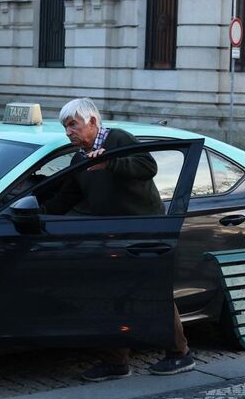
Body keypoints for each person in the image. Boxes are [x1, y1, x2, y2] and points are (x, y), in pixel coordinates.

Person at [44, 98, 195, 382]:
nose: (68, 132)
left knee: (153, 293)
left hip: (144, 231)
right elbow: (67, 198)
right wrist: (35, 210)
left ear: (92, 121)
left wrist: (110, 162)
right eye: (65, 127)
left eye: (73, 125)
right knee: (110, 293)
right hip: (112, 236)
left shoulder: (118, 140)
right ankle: (116, 362)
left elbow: (147, 166)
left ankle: (180, 353)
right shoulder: (80, 159)